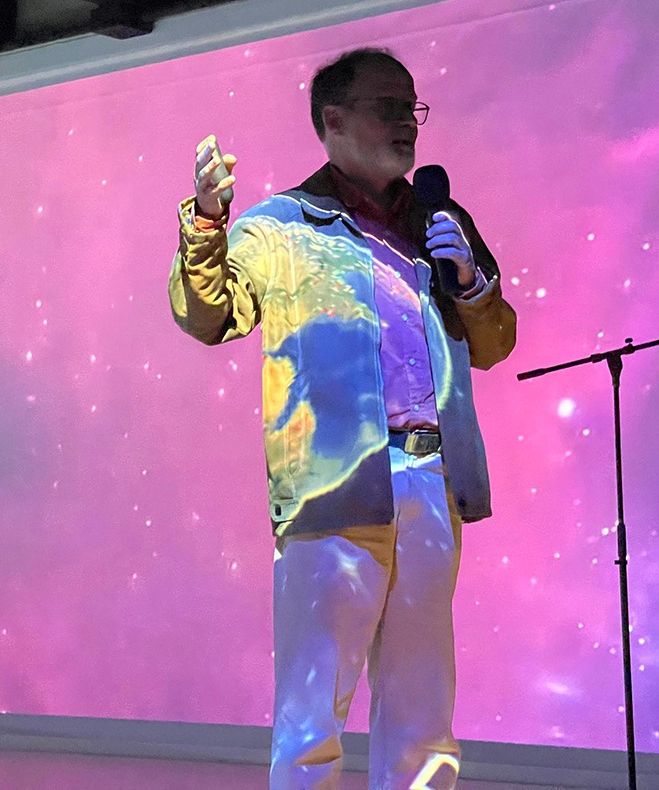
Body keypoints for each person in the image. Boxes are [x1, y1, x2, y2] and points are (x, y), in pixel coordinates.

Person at [168, 48, 517, 789]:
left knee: (423, 707)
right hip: (335, 483)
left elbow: (495, 343)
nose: (407, 123)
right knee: (312, 711)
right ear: (333, 120)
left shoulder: (439, 221)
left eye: (412, 108)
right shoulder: (281, 226)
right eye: (388, 107)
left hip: (431, 481)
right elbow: (210, 316)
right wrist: (206, 221)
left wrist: (469, 280)